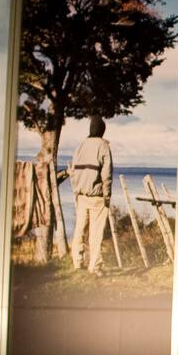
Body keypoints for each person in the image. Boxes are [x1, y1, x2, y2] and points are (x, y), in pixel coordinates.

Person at [63, 116, 115, 273]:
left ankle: (77, 262)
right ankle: (94, 266)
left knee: (79, 230)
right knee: (96, 232)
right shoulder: (104, 146)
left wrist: (76, 191)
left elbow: (74, 171)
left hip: (81, 196)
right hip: (97, 197)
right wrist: (107, 196)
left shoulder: (80, 146)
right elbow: (107, 175)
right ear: (102, 131)